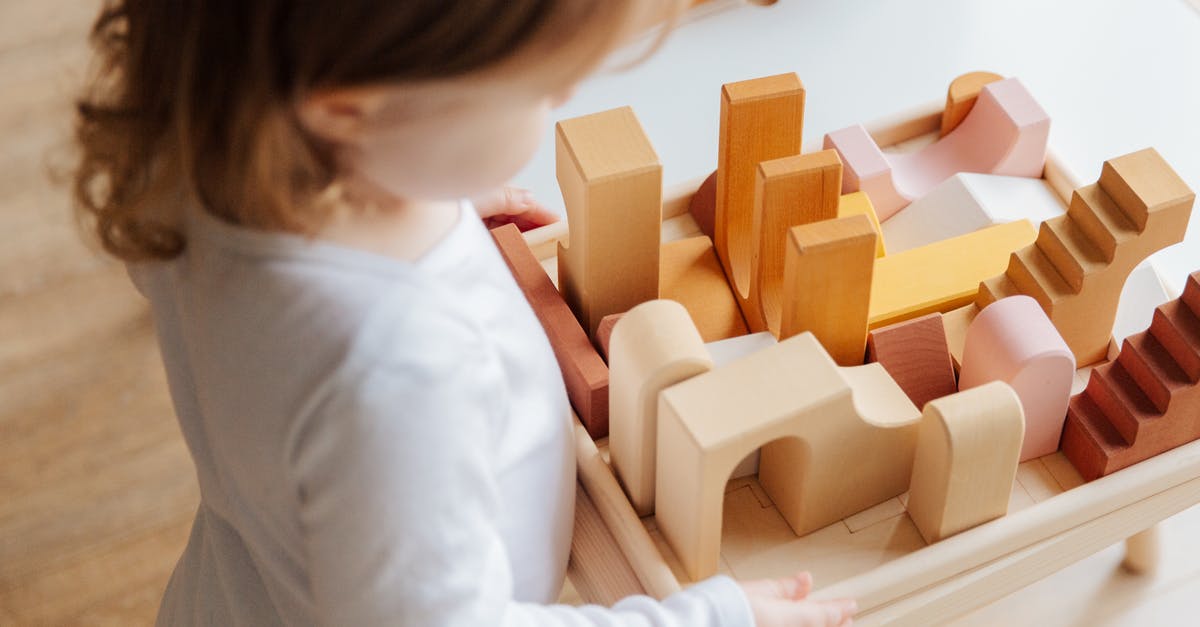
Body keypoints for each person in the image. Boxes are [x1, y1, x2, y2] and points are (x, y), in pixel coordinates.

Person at [72, 1, 858, 625]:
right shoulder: (393, 368)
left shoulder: (205, 160)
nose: (568, 95)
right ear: (350, 108)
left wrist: (421, 190)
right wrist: (709, 615)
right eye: (542, 88)